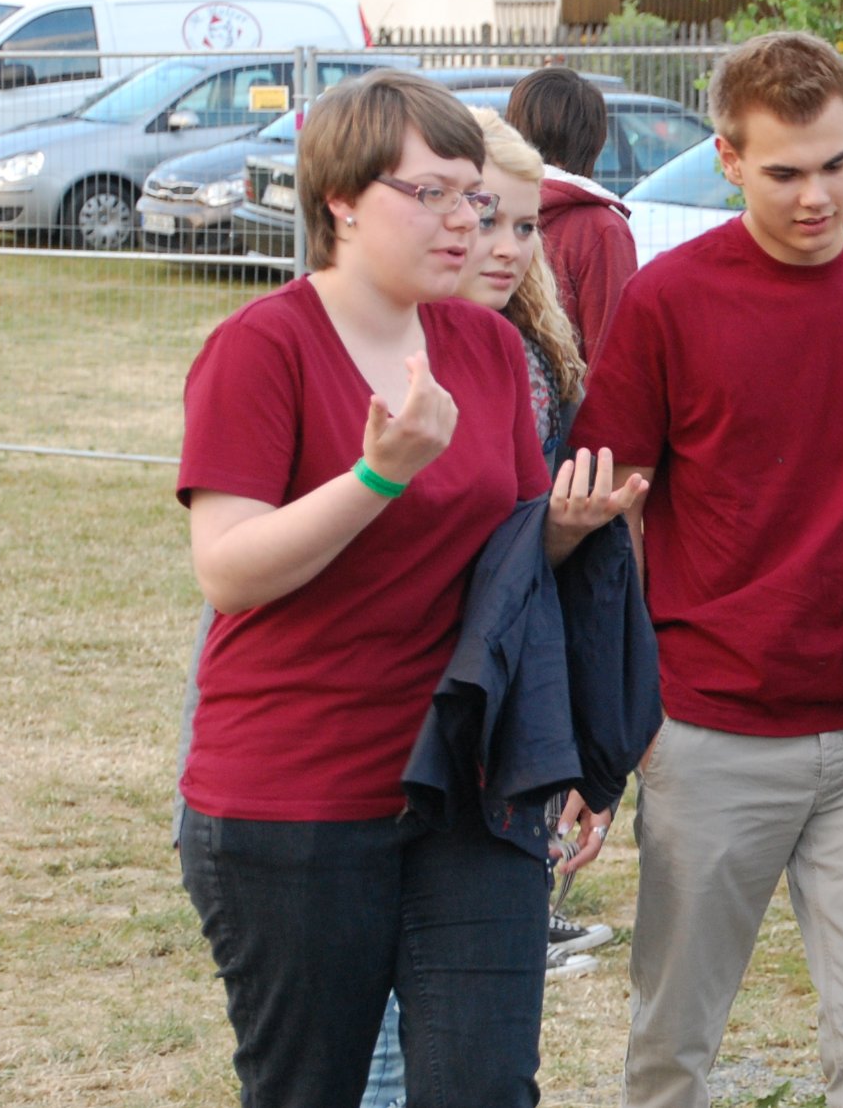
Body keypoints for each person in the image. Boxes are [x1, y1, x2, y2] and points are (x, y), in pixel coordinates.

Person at [175, 68, 641, 1108]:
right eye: (431, 194)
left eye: (472, 196)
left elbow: (502, 568)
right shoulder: (263, 347)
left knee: (483, 1087)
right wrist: (378, 476)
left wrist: (565, 530)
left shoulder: (488, 347)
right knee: (311, 1089)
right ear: (342, 200)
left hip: (469, 792)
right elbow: (229, 568)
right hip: (298, 799)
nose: (465, 221)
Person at [566, 31, 843, 1108]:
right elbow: (617, 517)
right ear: (728, 158)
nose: (815, 196)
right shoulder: (667, 299)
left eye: (836, 165)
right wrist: (641, 698)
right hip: (711, 723)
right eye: (785, 171)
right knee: (673, 1043)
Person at [460, 107, 615, 979]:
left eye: (526, 228)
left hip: (506, 682)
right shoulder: (383, 346)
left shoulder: (533, 354)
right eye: (487, 219)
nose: (510, 248)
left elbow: (523, 556)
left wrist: (562, 531)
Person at [504, 66, 636, 365]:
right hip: (569, 392)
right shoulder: (601, 229)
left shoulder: (487, 211)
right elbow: (614, 354)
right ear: (595, 139)